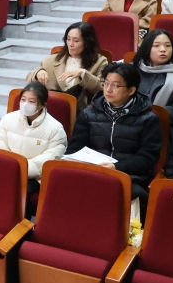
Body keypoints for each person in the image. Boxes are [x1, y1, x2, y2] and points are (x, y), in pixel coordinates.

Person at [67, 62, 163, 201]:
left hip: (129, 175)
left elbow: (147, 158)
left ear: (131, 90)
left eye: (116, 85)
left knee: (114, 189)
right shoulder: (88, 114)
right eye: (106, 83)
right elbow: (75, 148)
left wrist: (117, 167)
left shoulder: (148, 119)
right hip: (92, 170)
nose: (108, 89)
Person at [0, 81, 67, 192]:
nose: (25, 104)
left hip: (34, 177)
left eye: (31, 101)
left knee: (15, 189)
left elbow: (52, 156)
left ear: (42, 104)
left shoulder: (55, 128)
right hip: (7, 169)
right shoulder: (8, 119)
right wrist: (9, 165)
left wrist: (22, 169)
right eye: (23, 100)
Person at [27, 21, 107, 112]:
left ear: (87, 43)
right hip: (51, 109)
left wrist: (83, 74)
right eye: (68, 39)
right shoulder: (50, 60)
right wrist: (38, 72)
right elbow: (29, 81)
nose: (70, 44)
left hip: (81, 112)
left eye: (76, 41)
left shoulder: (100, 61)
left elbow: (103, 90)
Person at [132, 29, 173, 130]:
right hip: (126, 123)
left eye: (168, 46)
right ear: (146, 49)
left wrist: (149, 113)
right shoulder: (131, 70)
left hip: (159, 128)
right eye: (156, 46)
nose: (163, 50)